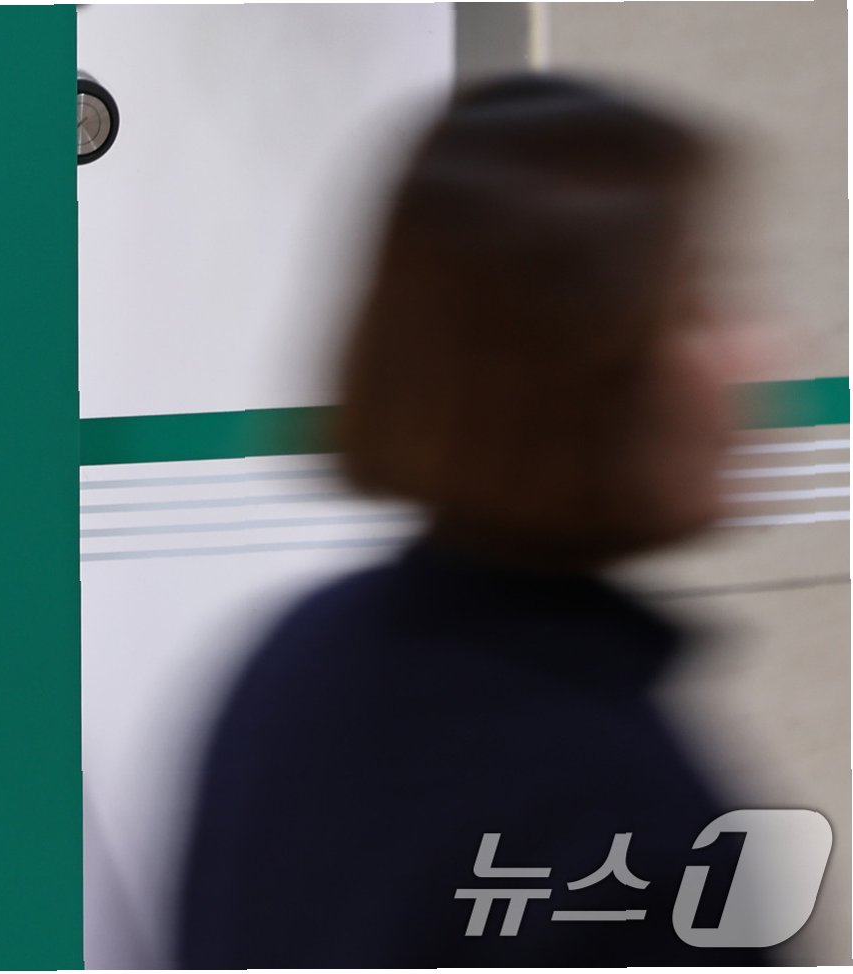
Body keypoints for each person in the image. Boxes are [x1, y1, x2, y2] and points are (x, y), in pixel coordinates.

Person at [173, 72, 775, 967]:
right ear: (565, 368)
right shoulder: (612, 808)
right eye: (692, 305)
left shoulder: (302, 661)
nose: (756, 352)